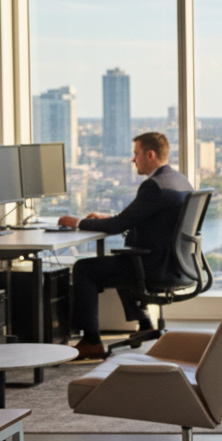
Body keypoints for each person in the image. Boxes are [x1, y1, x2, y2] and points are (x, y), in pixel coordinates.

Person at [59, 132, 192, 360]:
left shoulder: (154, 186)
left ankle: (91, 341)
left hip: (155, 267)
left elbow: (119, 225)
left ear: (150, 155)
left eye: (136, 154)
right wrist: (104, 218)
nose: (133, 160)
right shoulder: (179, 180)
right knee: (126, 260)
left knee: (84, 269)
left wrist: (77, 222)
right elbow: (137, 218)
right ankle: (145, 323)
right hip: (176, 264)